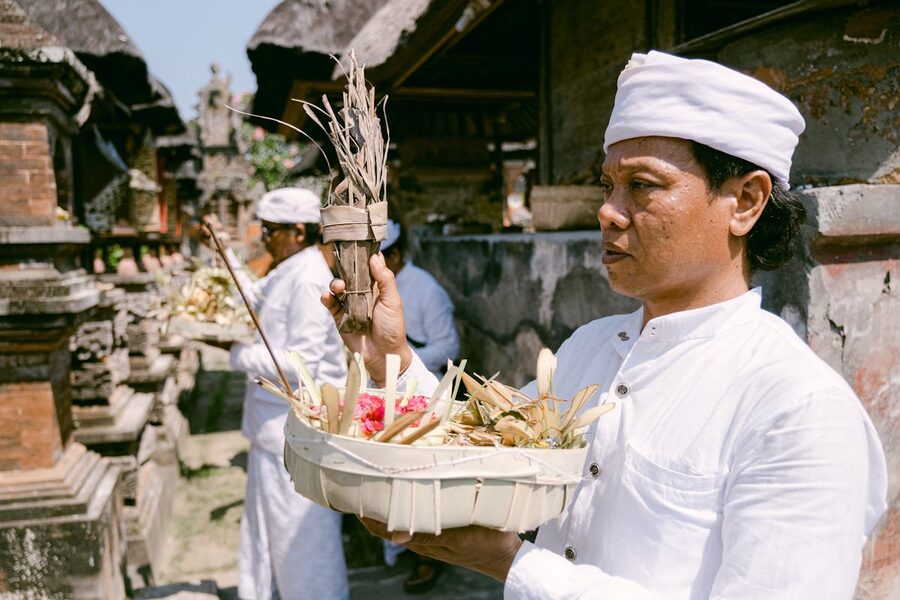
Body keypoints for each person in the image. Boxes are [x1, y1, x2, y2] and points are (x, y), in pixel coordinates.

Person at [322, 51, 888, 599]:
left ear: (744, 201)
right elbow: (476, 447)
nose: (608, 211)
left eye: (642, 185)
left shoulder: (798, 409)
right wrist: (386, 356)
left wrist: (509, 563)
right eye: (606, 186)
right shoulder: (591, 350)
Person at [225, 188, 350, 600]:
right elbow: (257, 300)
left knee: (303, 545)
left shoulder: (308, 277)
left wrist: (239, 353)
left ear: (298, 232)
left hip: (296, 433)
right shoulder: (288, 270)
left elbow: (305, 365)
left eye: (271, 230)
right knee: (266, 538)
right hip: (270, 433)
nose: (263, 237)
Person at [379, 219, 460, 592]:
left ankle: (429, 560)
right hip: (386, 395)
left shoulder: (426, 289)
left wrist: (400, 360)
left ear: (395, 255)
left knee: (420, 486)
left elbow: (448, 347)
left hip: (422, 395)